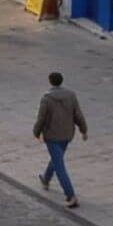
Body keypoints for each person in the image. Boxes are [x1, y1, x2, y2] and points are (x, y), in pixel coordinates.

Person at [34, 71, 88, 209]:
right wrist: (83, 130)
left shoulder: (46, 99)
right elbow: (78, 115)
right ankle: (46, 178)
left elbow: (41, 118)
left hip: (52, 136)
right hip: (67, 134)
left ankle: (71, 195)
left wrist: (36, 132)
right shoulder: (71, 95)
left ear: (50, 81)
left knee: (59, 165)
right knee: (56, 158)